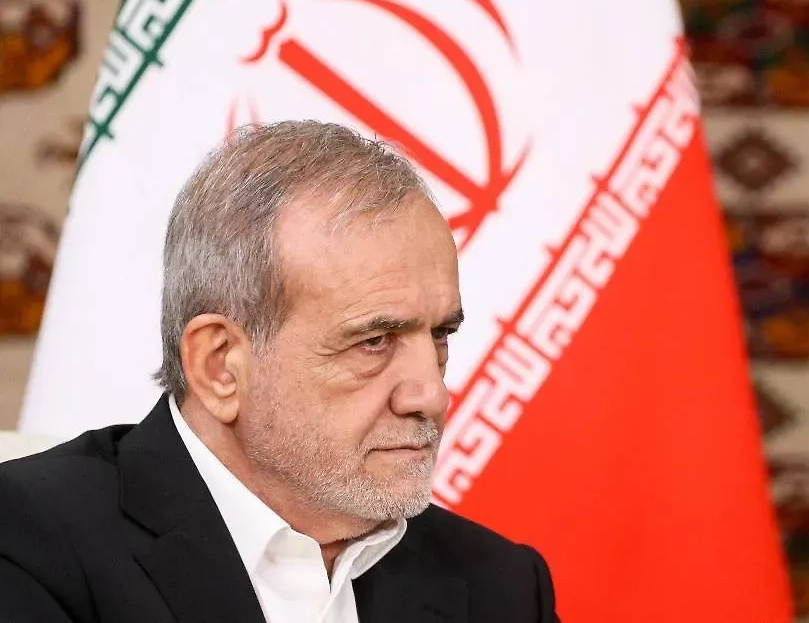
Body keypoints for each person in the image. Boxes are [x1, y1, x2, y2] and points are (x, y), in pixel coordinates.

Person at [0, 121, 559, 623]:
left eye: (439, 336)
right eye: (374, 341)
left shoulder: (502, 589)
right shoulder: (26, 544)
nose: (432, 395)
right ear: (220, 365)